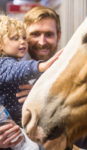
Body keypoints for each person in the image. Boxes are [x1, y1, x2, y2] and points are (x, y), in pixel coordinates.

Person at [0, 15, 62, 150]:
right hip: (7, 125)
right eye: (15, 38)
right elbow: (17, 70)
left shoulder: (15, 61)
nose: (22, 42)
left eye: (23, 38)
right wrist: (41, 66)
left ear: (59, 36)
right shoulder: (4, 63)